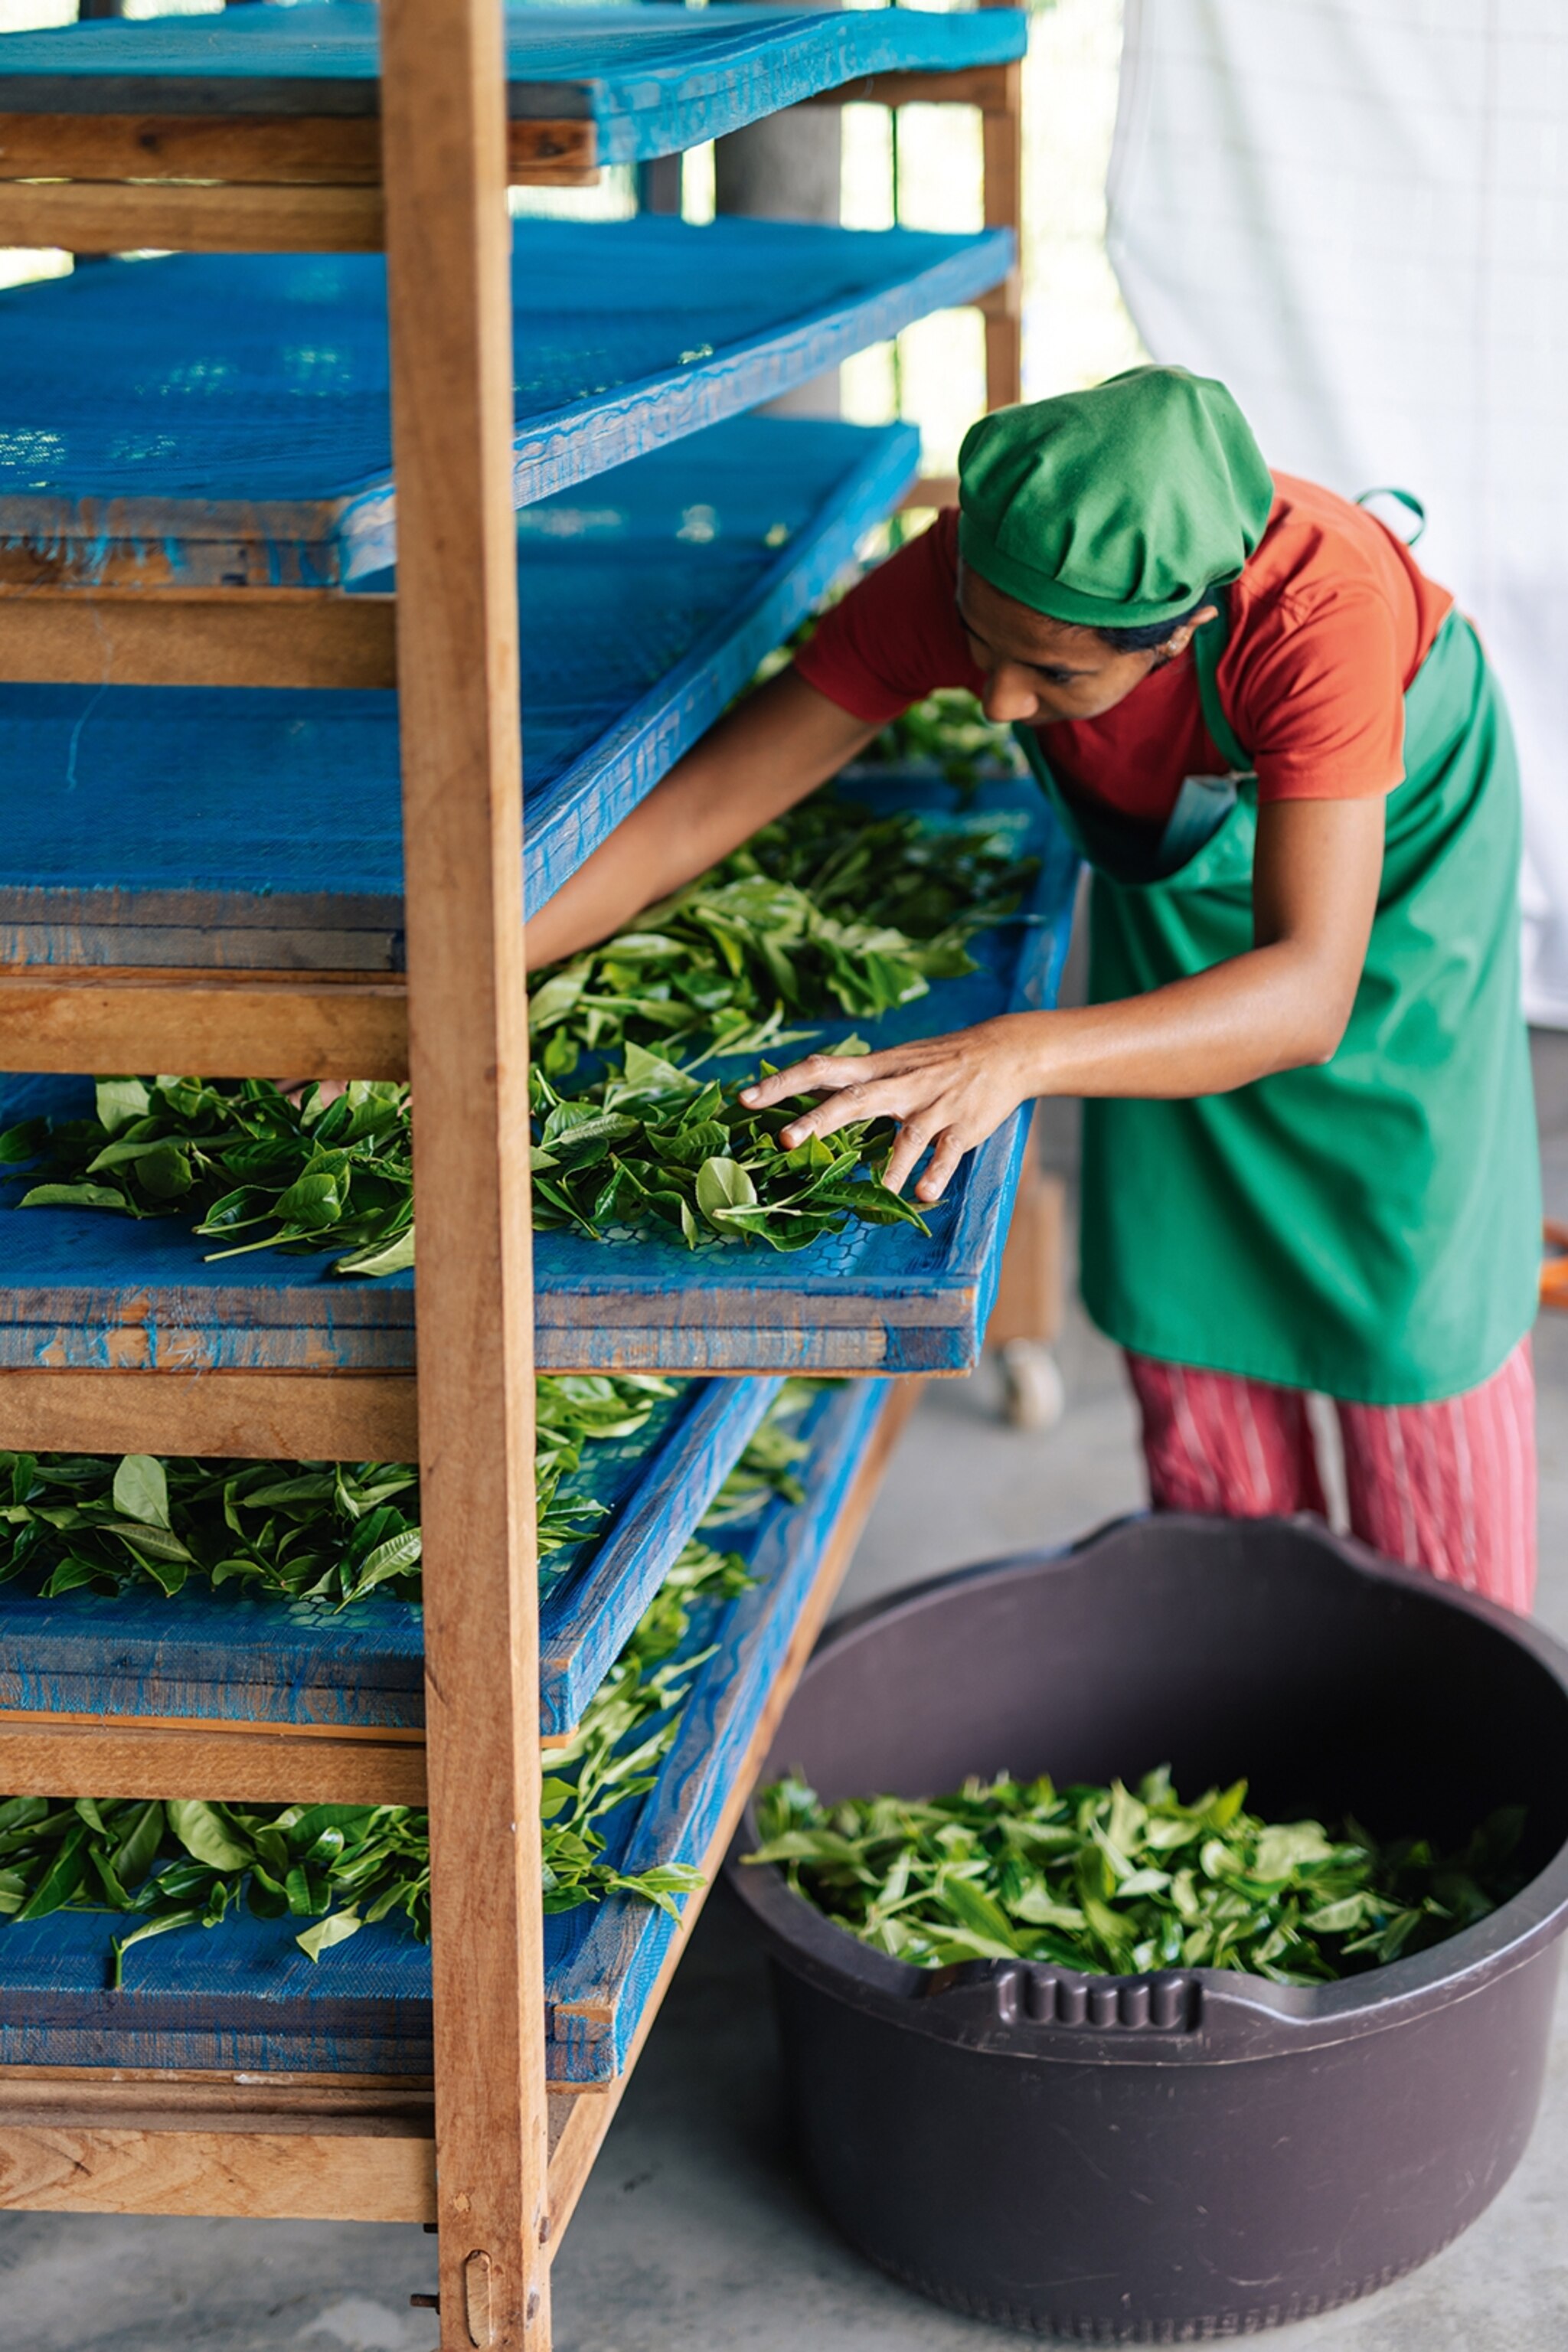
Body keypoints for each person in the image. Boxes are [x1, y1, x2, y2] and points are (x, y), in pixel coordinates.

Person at [528, 365, 1540, 1610]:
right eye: (981, 649)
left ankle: (1455, 1687)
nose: (1000, 701)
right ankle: (1246, 1657)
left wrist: (1015, 1050)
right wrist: (434, 982)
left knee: (1412, 1275)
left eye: (1055, 682)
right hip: (1186, 881)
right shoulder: (978, 574)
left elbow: (1304, 995)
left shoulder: (1315, 617)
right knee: (1185, 1251)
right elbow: (696, 811)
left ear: (1184, 631)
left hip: (1391, 913)